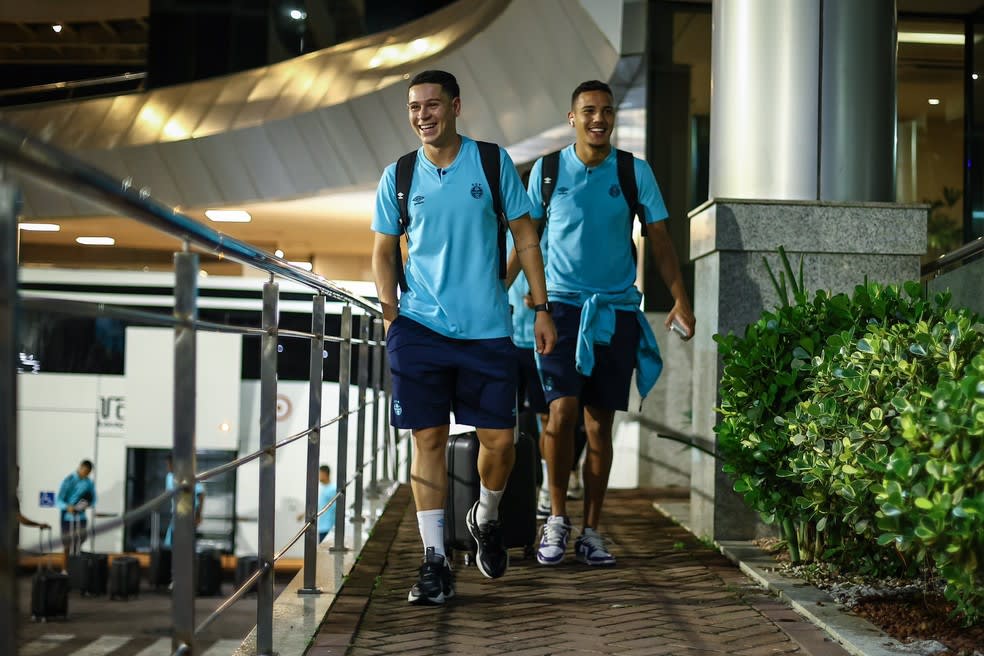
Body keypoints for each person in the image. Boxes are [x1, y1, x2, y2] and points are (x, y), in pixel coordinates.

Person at [372, 70, 556, 606]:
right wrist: (391, 317)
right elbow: (384, 250)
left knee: (500, 443)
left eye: (432, 105)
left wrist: (540, 309)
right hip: (420, 327)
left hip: (488, 331)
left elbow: (525, 234)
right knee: (426, 441)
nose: (422, 115)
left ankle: (486, 514)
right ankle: (433, 561)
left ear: (455, 107)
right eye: (413, 107)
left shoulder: (493, 163)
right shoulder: (399, 175)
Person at [527, 80, 696, 567]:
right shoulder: (548, 169)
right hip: (559, 308)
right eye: (588, 111)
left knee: (599, 426)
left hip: (616, 311)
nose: (598, 118)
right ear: (571, 117)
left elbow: (659, 238)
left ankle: (593, 530)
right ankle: (556, 518)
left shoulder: (632, 171)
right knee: (560, 414)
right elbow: (527, 237)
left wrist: (680, 298)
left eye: (606, 111)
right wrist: (514, 297)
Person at [56, 460, 96, 566]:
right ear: (80, 467)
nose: (86, 474)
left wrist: (88, 504)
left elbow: (93, 499)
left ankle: (75, 570)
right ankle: (65, 570)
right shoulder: (69, 480)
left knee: (79, 543)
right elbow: (58, 500)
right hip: (68, 518)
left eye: (88, 473)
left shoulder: (89, 483)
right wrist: (67, 506)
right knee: (67, 545)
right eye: (85, 471)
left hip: (81, 518)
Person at [163, 454, 205, 549]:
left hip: (188, 514)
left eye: (169, 464)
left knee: (183, 543)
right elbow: (168, 493)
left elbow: (201, 494)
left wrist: (199, 514)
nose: (167, 467)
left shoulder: (187, 476)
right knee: (170, 543)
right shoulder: (169, 477)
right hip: (176, 514)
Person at [297, 464, 337, 542]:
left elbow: (337, 507)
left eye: (320, 473)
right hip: (323, 526)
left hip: (329, 526)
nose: (318, 476)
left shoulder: (333, 488)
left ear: (325, 474)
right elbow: (319, 505)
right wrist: (303, 514)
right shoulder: (323, 488)